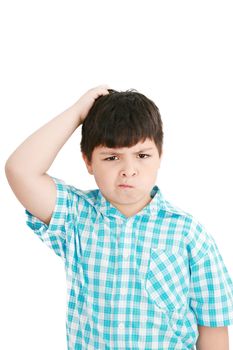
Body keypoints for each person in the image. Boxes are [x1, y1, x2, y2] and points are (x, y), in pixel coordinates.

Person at [5, 85, 233, 349]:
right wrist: (78, 113)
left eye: (142, 155)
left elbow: (213, 326)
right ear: (89, 162)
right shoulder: (76, 217)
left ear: (160, 157)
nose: (129, 170)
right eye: (112, 157)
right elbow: (20, 169)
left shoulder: (188, 233)